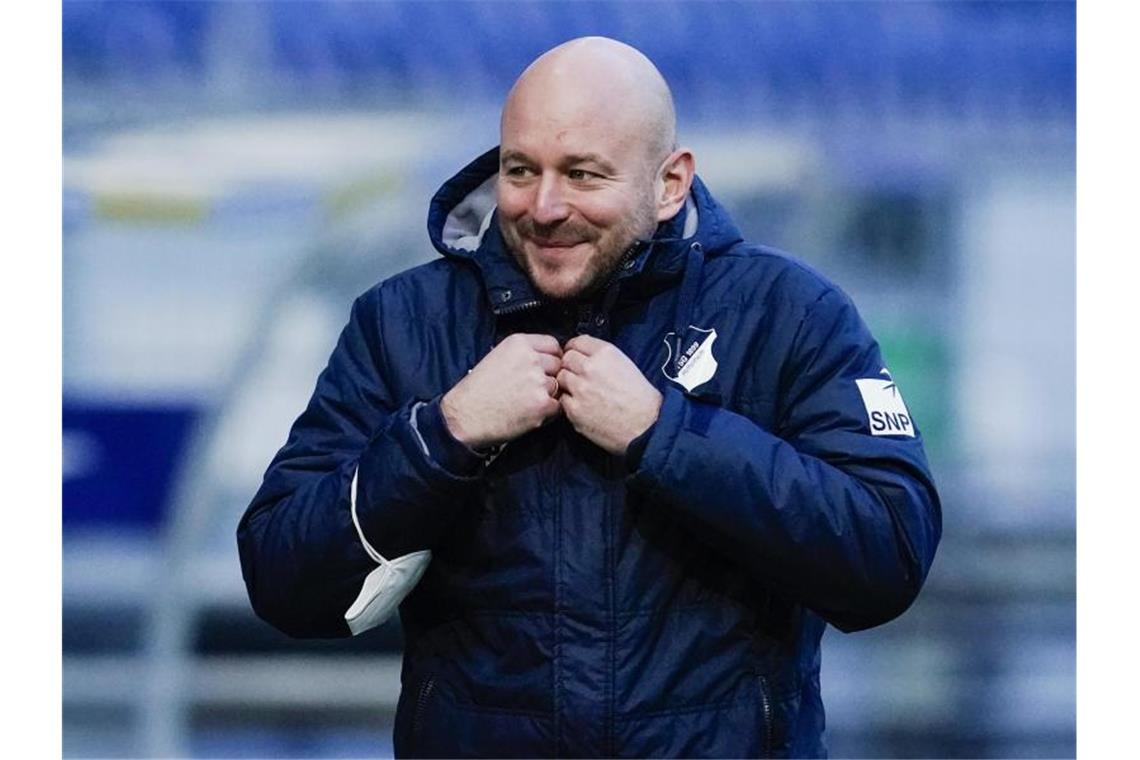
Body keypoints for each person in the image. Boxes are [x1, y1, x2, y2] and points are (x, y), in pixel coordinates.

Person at [238, 36, 941, 758]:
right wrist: (442, 438)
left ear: (669, 183)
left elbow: (887, 554)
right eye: (521, 170)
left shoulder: (787, 313)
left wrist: (665, 436)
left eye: (582, 175)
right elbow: (282, 577)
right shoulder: (403, 323)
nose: (544, 207)